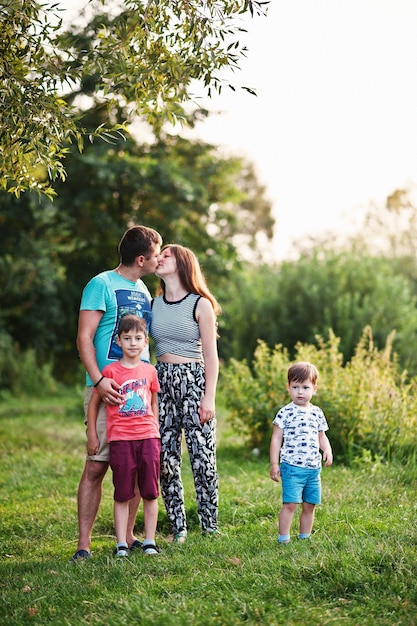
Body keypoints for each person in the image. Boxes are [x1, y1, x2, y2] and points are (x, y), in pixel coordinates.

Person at [70, 225, 162, 562]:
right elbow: (84, 337)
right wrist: (98, 381)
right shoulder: (101, 284)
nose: (159, 259)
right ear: (142, 258)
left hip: (139, 393)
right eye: (156, 254)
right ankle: (84, 544)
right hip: (106, 389)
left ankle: (127, 536)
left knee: (137, 466)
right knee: (97, 466)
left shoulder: (144, 290)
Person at [150, 244, 221, 543]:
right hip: (161, 381)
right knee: (165, 459)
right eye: (159, 254)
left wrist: (209, 397)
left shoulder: (200, 304)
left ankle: (209, 527)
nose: (159, 258)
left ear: (182, 264)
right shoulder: (153, 304)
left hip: (194, 380)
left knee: (202, 458)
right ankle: (178, 527)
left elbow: (211, 356)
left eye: (166, 255)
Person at [87, 315, 161, 556]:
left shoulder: (150, 371)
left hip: (148, 437)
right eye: (127, 338)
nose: (132, 343)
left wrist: (156, 431)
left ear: (145, 342)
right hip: (120, 440)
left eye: (138, 338)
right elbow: (95, 403)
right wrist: (92, 434)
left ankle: (149, 540)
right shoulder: (110, 371)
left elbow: (153, 402)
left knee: (150, 491)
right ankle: (121, 543)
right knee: (122, 492)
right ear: (118, 341)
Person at [269, 361, 333, 544]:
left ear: (314, 389)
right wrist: (274, 464)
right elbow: (276, 439)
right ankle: (284, 538)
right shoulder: (285, 413)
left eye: (305, 387)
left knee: (309, 504)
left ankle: (305, 537)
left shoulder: (317, 413)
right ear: (288, 387)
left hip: (313, 469)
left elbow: (321, 436)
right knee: (291, 504)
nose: (300, 392)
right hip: (292, 467)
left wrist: (327, 449)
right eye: (295, 387)